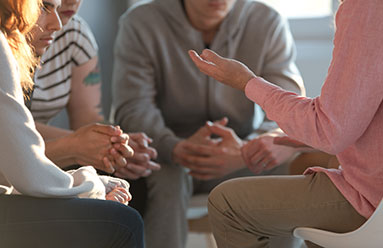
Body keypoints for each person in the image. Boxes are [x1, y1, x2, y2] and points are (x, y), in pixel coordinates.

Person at [189, 0, 383, 246]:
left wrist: (246, 82)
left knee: (227, 205)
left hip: (373, 199)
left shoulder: (366, 7)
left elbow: (331, 129)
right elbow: (353, 120)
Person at [112, 0, 305, 247]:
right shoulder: (140, 23)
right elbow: (133, 107)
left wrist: (246, 150)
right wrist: (173, 148)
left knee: (293, 166)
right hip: (167, 155)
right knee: (164, 176)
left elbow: (289, 109)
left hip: (240, 154)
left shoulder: (267, 21)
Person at [0, 0, 144, 247]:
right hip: (23, 169)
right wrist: (93, 187)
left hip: (20, 169)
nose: (56, 23)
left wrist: (110, 147)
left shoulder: (75, 35)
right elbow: (25, 170)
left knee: (132, 183)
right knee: (123, 222)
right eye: (44, 7)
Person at [30, 0, 160, 178]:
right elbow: (11, 129)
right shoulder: (6, 41)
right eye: (46, 6)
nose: (72, 1)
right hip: (18, 156)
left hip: (39, 155)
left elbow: (88, 122)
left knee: (137, 177)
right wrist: (78, 143)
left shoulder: (74, 34)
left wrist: (114, 144)